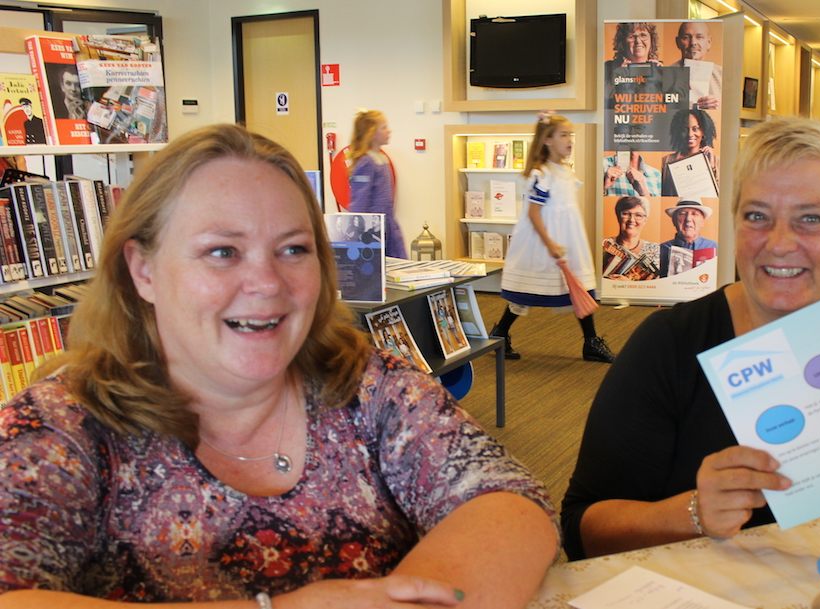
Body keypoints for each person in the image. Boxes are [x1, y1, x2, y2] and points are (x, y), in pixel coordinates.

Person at [0, 124, 559, 607]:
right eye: (222, 252)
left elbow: (509, 501)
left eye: (293, 249)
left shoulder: (369, 385)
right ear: (143, 270)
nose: (267, 283)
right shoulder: (58, 428)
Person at [561, 116, 820, 561]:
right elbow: (582, 530)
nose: (780, 243)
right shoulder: (672, 342)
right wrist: (694, 513)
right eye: (757, 216)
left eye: (810, 219)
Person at [491, 111, 614, 364]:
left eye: (571, 135)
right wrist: (550, 245)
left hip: (568, 237)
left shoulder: (564, 170)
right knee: (527, 290)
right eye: (563, 135)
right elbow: (533, 213)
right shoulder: (542, 173)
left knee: (579, 286)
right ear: (547, 140)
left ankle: (590, 342)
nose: (569, 140)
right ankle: (500, 332)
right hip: (543, 240)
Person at [348, 110, 406, 258]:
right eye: (384, 127)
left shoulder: (380, 158)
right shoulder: (366, 162)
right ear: (372, 133)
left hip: (387, 222)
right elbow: (360, 202)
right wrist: (358, 235)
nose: (389, 131)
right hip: (373, 226)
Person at [660, 108, 718, 197]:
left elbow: (719, 195)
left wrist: (711, 167)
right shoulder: (665, 161)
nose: (690, 134)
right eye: (684, 129)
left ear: (703, 131)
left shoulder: (716, 161)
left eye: (695, 129)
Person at [603, 196, 660, 281]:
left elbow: (659, 286)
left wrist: (629, 285)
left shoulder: (656, 250)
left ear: (645, 220)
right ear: (618, 216)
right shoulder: (603, 245)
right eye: (626, 214)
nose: (632, 220)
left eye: (638, 215)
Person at [669, 22, 723, 111]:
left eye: (699, 37)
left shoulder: (722, 74)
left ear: (709, 42)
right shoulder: (665, 75)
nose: (693, 42)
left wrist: (720, 107)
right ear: (678, 42)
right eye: (686, 37)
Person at [658, 198, 718, 277]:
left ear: (702, 222)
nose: (688, 219)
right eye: (682, 213)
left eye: (694, 214)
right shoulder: (660, 250)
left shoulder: (716, 248)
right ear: (674, 221)